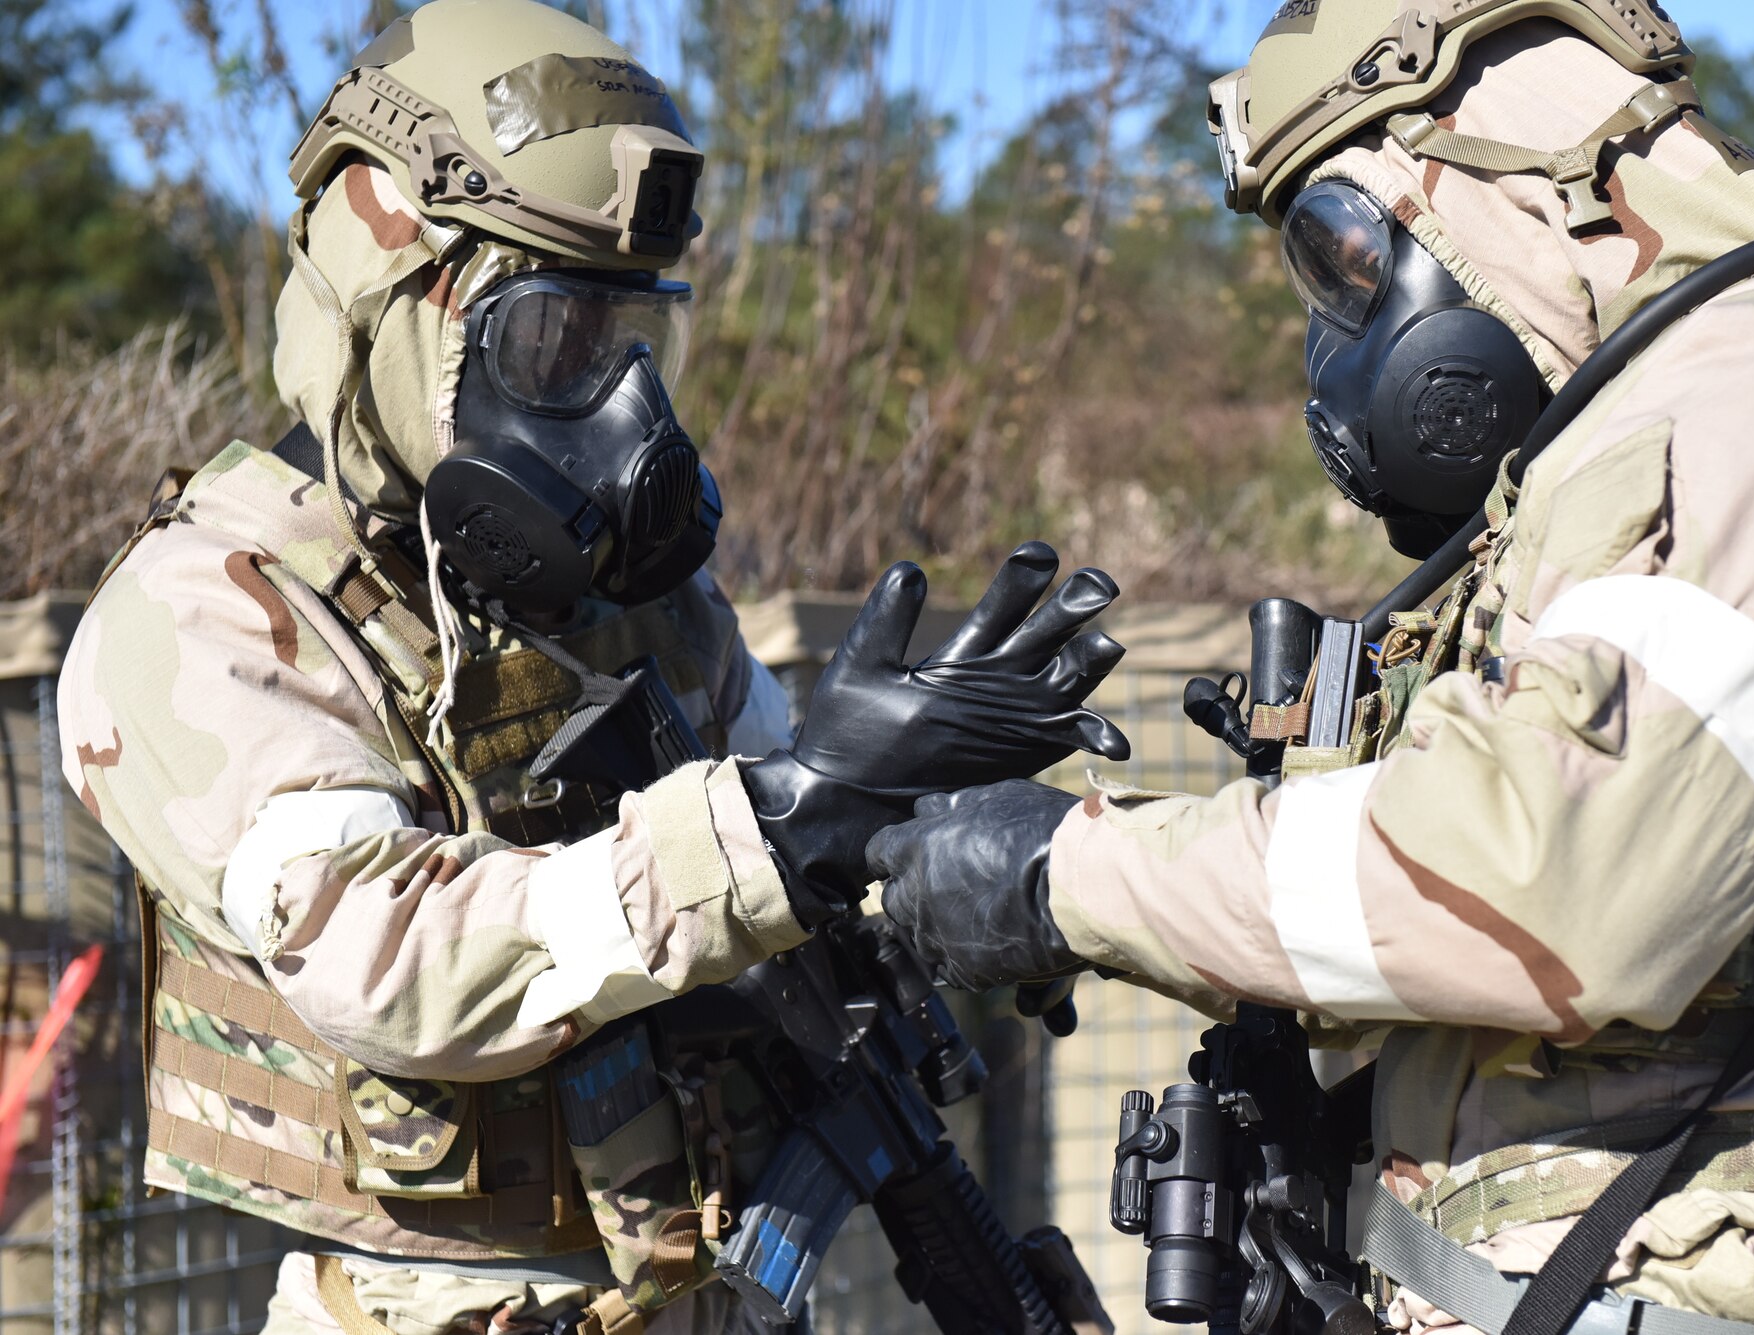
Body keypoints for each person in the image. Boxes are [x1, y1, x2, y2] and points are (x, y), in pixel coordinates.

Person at [870, 4, 1754, 1332]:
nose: (1335, 337)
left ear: (1487, 160)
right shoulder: (1661, 407)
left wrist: (1071, 872)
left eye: (1342, 255)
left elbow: (1556, 878)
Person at [55, 3, 1127, 1333]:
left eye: (628, 344)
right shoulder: (203, 614)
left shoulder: (633, 595)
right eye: (550, 340)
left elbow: (795, 829)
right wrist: (782, 820)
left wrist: (960, 834)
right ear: (388, 301)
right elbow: (390, 962)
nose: (611, 404)